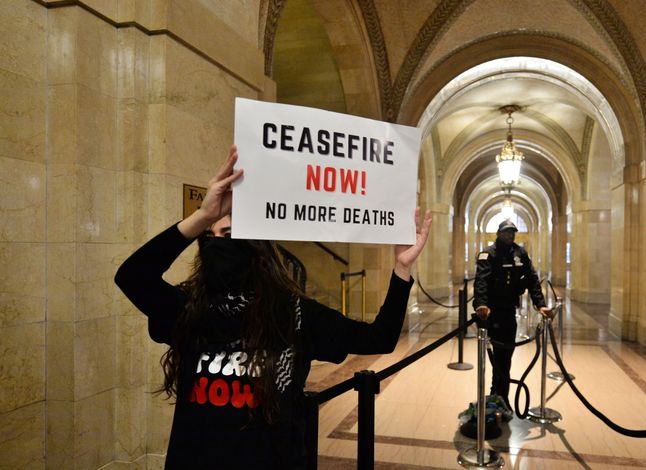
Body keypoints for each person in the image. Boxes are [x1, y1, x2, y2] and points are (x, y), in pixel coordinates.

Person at [114, 145, 432, 469]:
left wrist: (401, 270)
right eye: (209, 237)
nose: (217, 243)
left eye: (229, 233)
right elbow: (132, 277)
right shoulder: (189, 309)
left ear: (256, 244)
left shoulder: (294, 314)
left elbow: (378, 339)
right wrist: (201, 217)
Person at [472, 220, 550, 410]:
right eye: (507, 232)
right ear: (498, 234)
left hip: (509, 310)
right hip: (491, 312)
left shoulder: (520, 253)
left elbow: (532, 279)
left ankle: (501, 395)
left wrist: (540, 305)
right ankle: (495, 393)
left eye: (513, 232)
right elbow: (481, 281)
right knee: (496, 355)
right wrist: (481, 303)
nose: (510, 235)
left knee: (506, 355)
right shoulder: (488, 254)